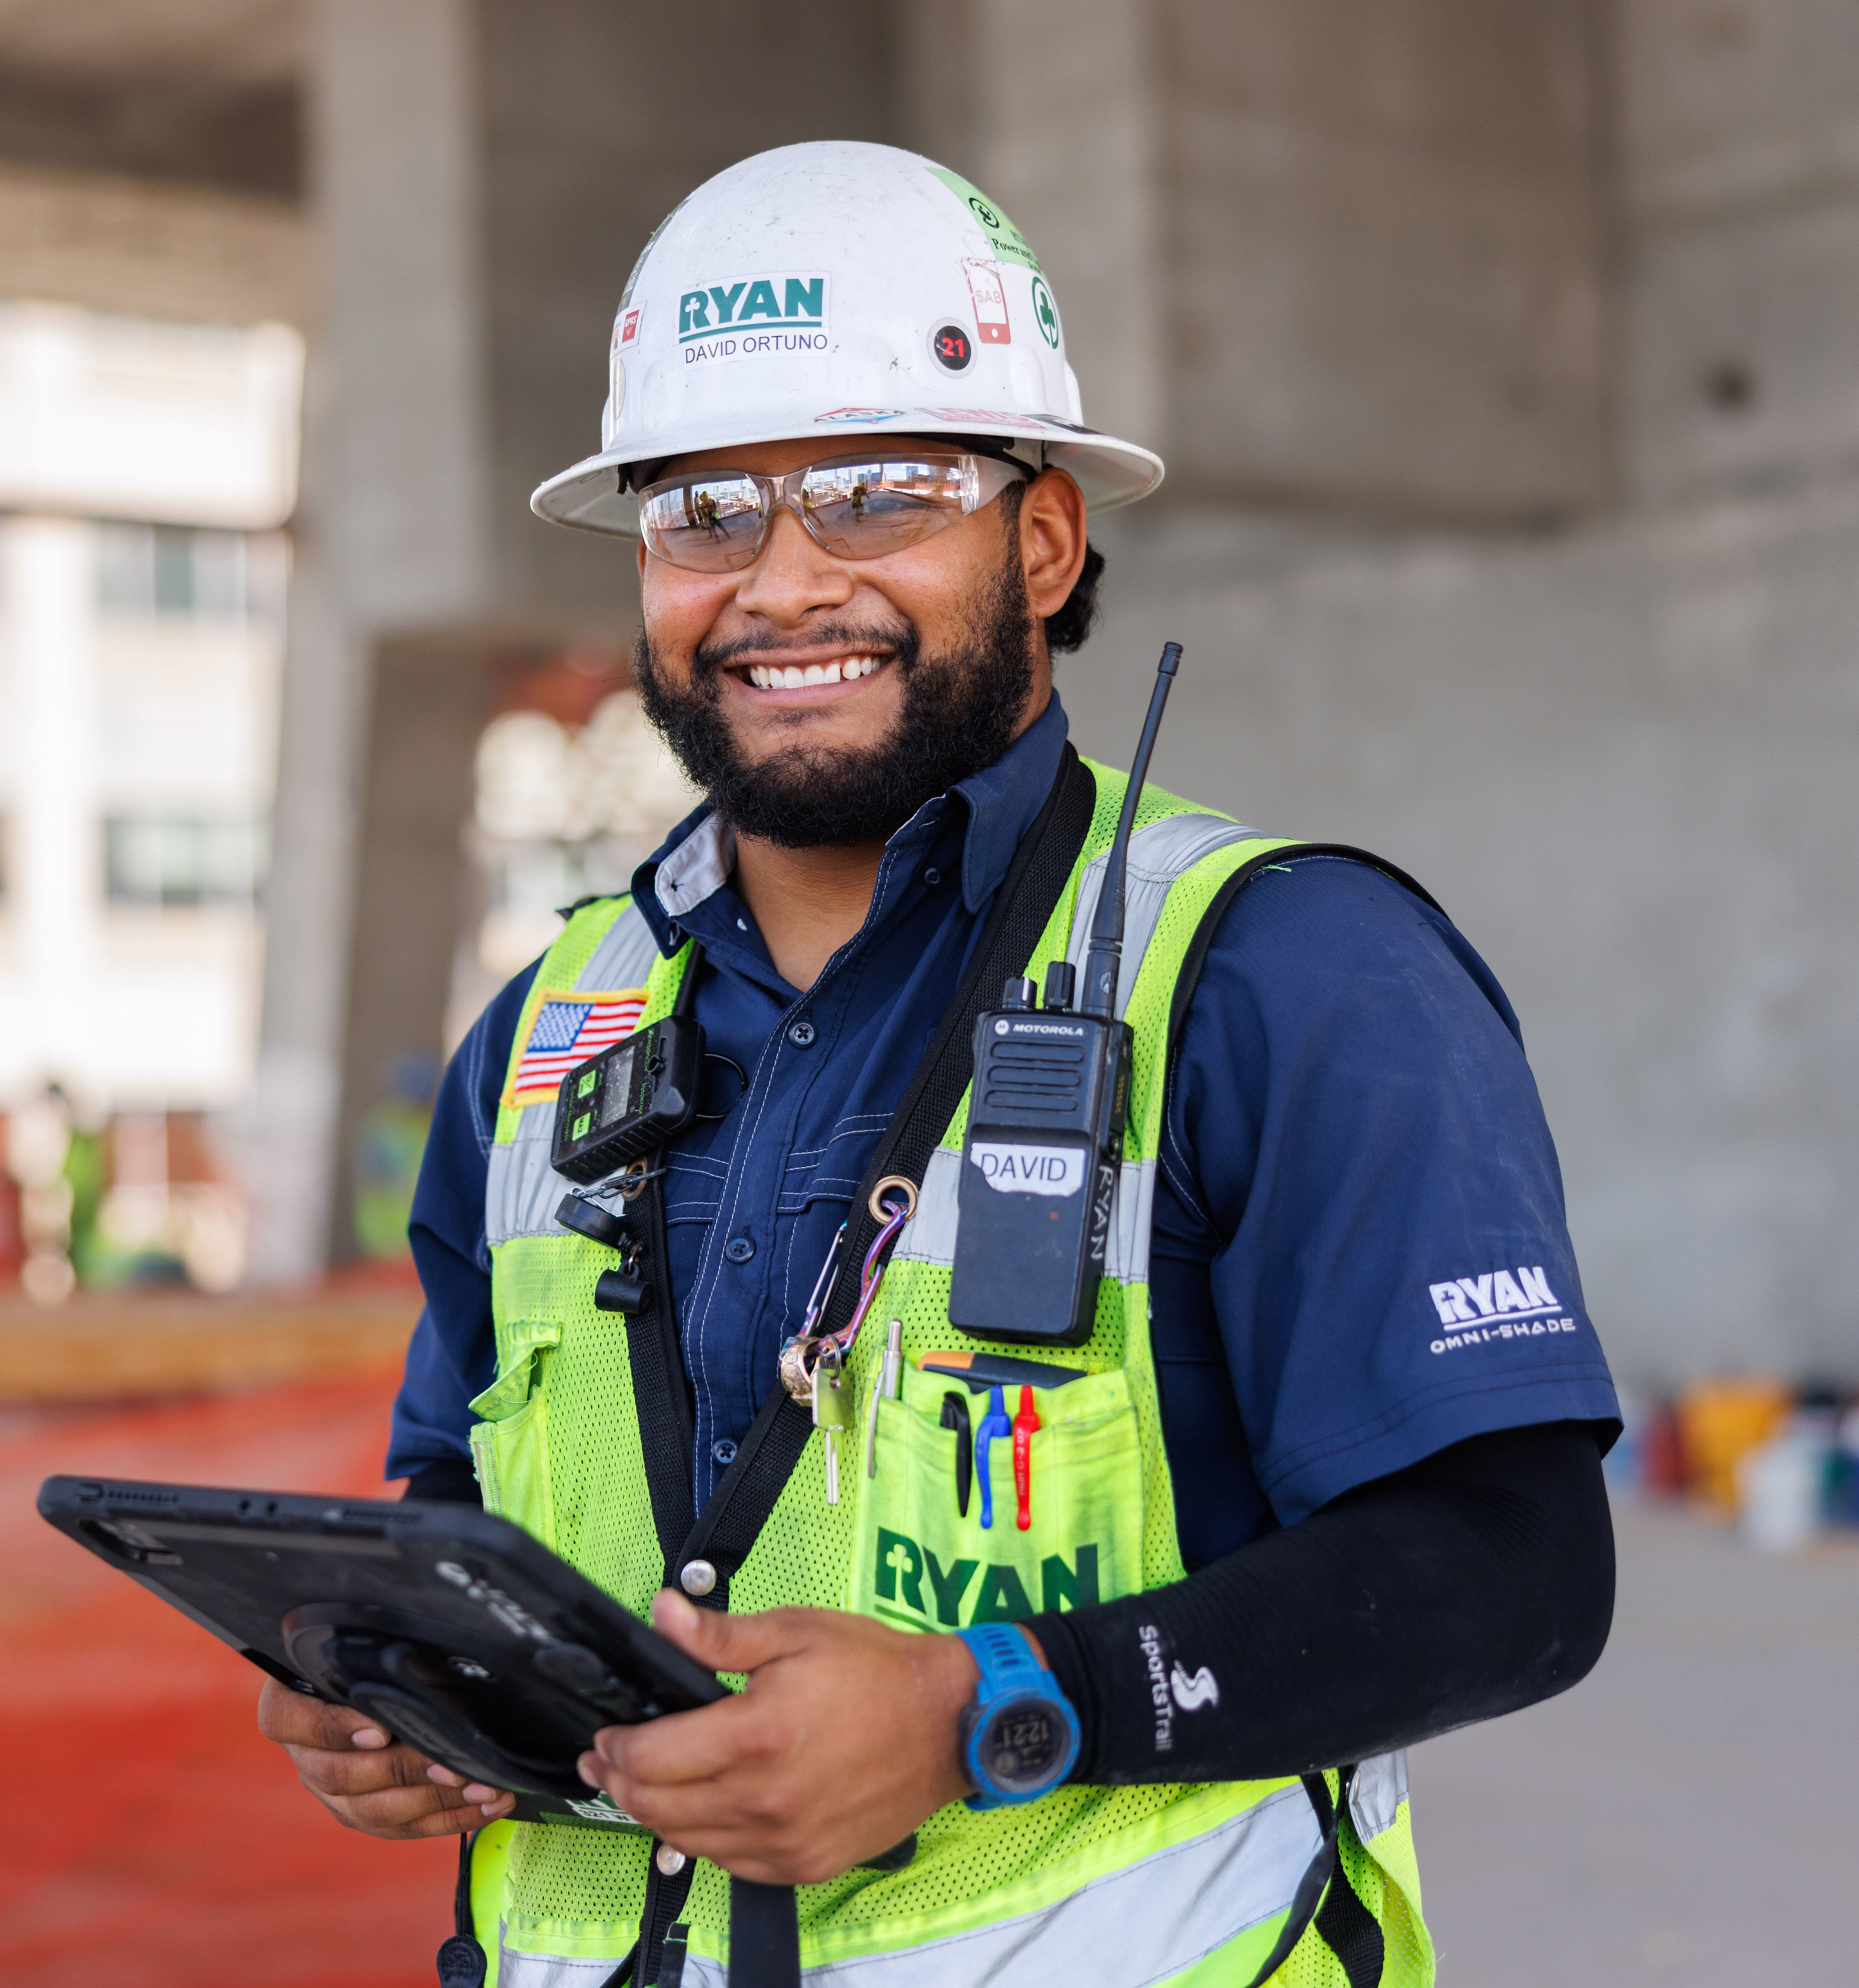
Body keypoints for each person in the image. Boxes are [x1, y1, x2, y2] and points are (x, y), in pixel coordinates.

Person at [260, 143, 1618, 1988]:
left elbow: (1517, 1575)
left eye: (878, 493)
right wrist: (403, 1686)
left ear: (1042, 542)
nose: (784, 582)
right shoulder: (545, 1031)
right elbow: (456, 1492)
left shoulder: (1284, 973)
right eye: (706, 511)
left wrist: (995, 1710)